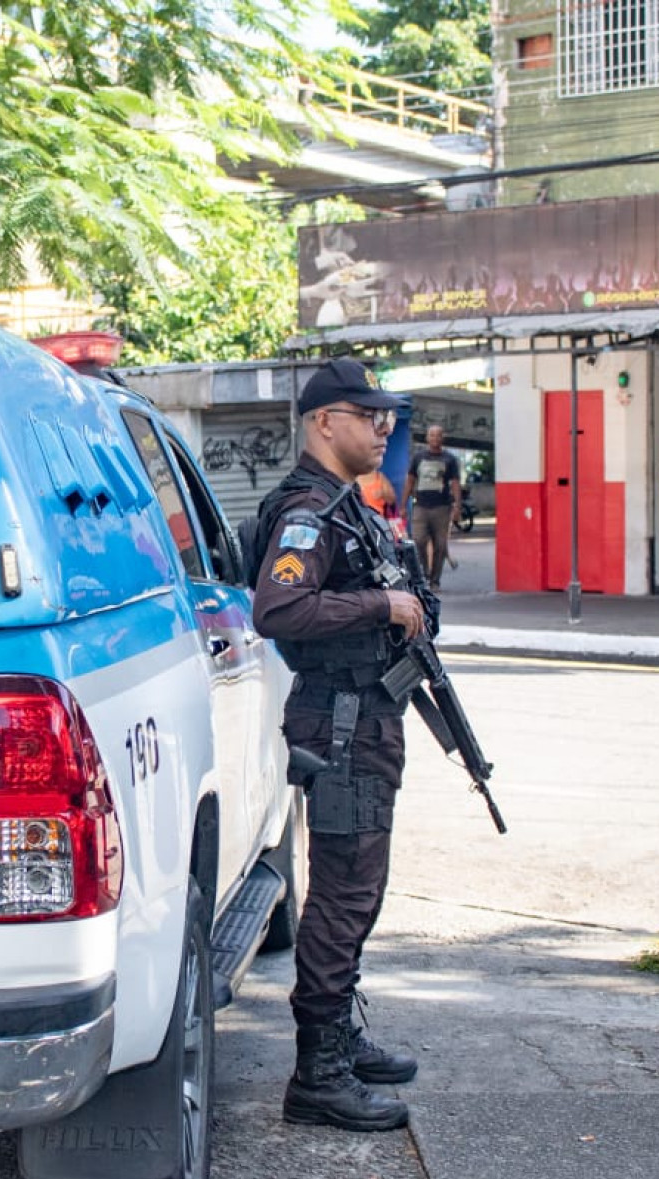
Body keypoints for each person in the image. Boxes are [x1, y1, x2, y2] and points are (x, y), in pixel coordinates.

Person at [250, 356, 428, 1133]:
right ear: (326, 421)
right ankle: (316, 1071)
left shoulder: (348, 506)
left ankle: (339, 1038)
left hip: (364, 717)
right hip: (343, 723)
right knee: (344, 890)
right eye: (369, 414)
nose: (384, 427)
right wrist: (380, 604)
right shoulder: (308, 511)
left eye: (388, 415)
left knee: (360, 886)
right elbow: (280, 608)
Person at [404, 423, 462, 589]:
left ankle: (435, 580)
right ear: (427, 438)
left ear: (443, 438)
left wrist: (457, 505)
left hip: (442, 508)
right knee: (418, 540)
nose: (435, 438)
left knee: (440, 545)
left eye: (438, 435)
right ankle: (425, 572)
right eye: (432, 435)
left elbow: (455, 483)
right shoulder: (418, 458)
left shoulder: (449, 459)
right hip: (421, 507)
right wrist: (402, 505)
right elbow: (410, 481)